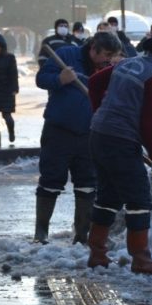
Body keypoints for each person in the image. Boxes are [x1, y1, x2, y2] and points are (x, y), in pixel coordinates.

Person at [86, 32, 152, 275]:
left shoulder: (127, 63)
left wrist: (102, 113)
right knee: (139, 198)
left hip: (99, 134)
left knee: (109, 196)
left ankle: (97, 253)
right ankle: (141, 258)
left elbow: (95, 83)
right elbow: (149, 125)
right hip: (119, 139)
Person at [33, 32, 123, 245]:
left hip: (90, 133)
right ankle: (41, 232)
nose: (109, 59)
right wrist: (60, 79)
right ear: (93, 48)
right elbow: (41, 79)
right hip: (59, 130)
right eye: (106, 54)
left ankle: (82, 234)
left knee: (87, 183)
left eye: (113, 55)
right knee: (51, 180)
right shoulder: (67, 55)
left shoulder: (110, 69)